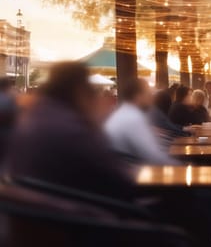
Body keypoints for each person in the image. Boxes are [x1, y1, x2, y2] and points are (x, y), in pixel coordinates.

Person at [6, 62, 133, 199]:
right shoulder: (71, 128)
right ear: (80, 90)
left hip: (37, 210)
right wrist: (95, 122)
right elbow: (119, 178)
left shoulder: (38, 116)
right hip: (77, 213)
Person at [105, 78, 174, 164]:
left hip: (125, 168)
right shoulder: (133, 117)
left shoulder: (125, 112)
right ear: (138, 96)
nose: (151, 98)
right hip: (131, 172)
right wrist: (181, 167)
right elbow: (152, 155)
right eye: (148, 94)